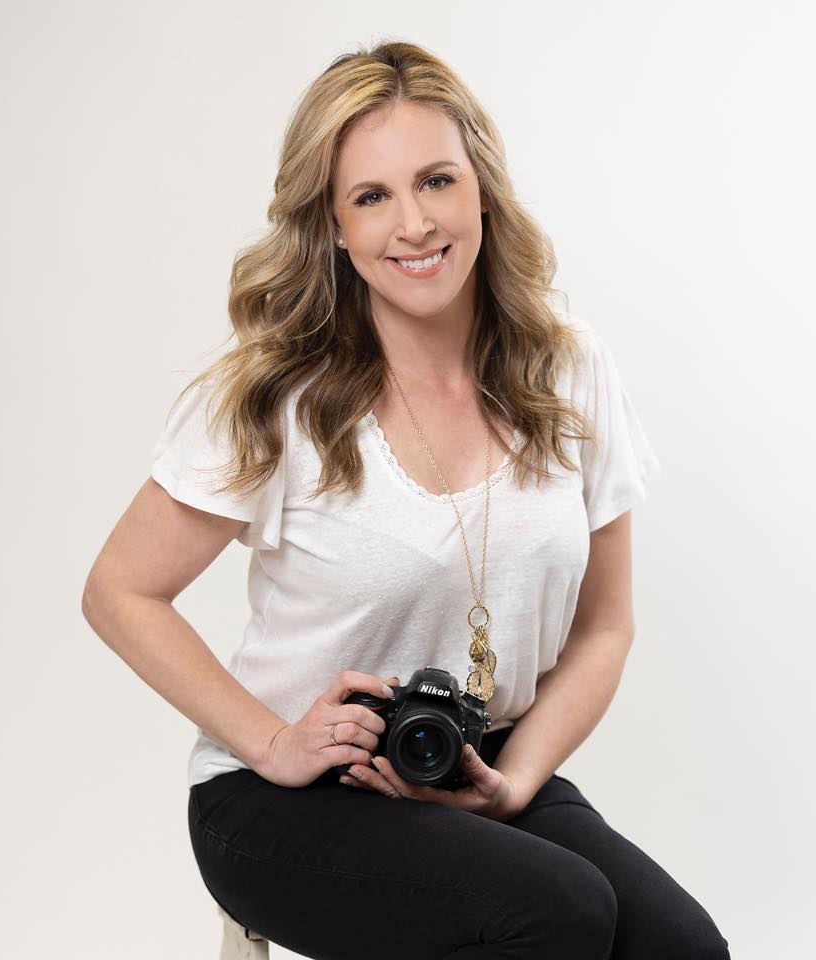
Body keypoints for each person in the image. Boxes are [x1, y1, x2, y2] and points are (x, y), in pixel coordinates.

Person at [82, 39, 730, 960]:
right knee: (557, 912)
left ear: (481, 191)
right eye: (372, 196)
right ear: (335, 227)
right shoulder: (277, 397)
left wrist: (514, 783)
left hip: (473, 762)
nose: (415, 224)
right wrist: (271, 743)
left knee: (680, 949)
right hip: (287, 801)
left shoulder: (569, 367)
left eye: (436, 181)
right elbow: (119, 591)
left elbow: (603, 630)